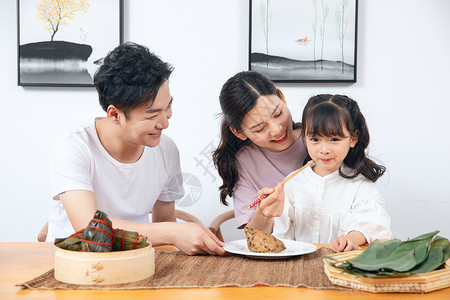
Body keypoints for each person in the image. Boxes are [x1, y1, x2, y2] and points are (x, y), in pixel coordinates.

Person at [47, 42, 225, 256]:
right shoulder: (73, 147)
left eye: (168, 107)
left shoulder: (165, 149)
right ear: (115, 115)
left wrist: (178, 236)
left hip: (135, 262)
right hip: (73, 265)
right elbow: (89, 228)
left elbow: (164, 222)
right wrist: (173, 232)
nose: (165, 123)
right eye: (152, 114)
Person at [261, 94, 392, 252]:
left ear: (353, 138)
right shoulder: (292, 182)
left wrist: (349, 239)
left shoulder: (360, 185)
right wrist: (267, 213)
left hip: (340, 265)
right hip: (299, 267)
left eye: (334, 139)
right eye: (315, 139)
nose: (324, 150)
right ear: (305, 138)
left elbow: (372, 222)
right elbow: (281, 235)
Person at [212, 71, 308, 233]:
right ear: (239, 132)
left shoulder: (322, 140)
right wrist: (263, 214)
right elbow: (255, 236)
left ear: (281, 97)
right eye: (260, 128)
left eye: (278, 114)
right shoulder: (244, 162)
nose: (277, 130)